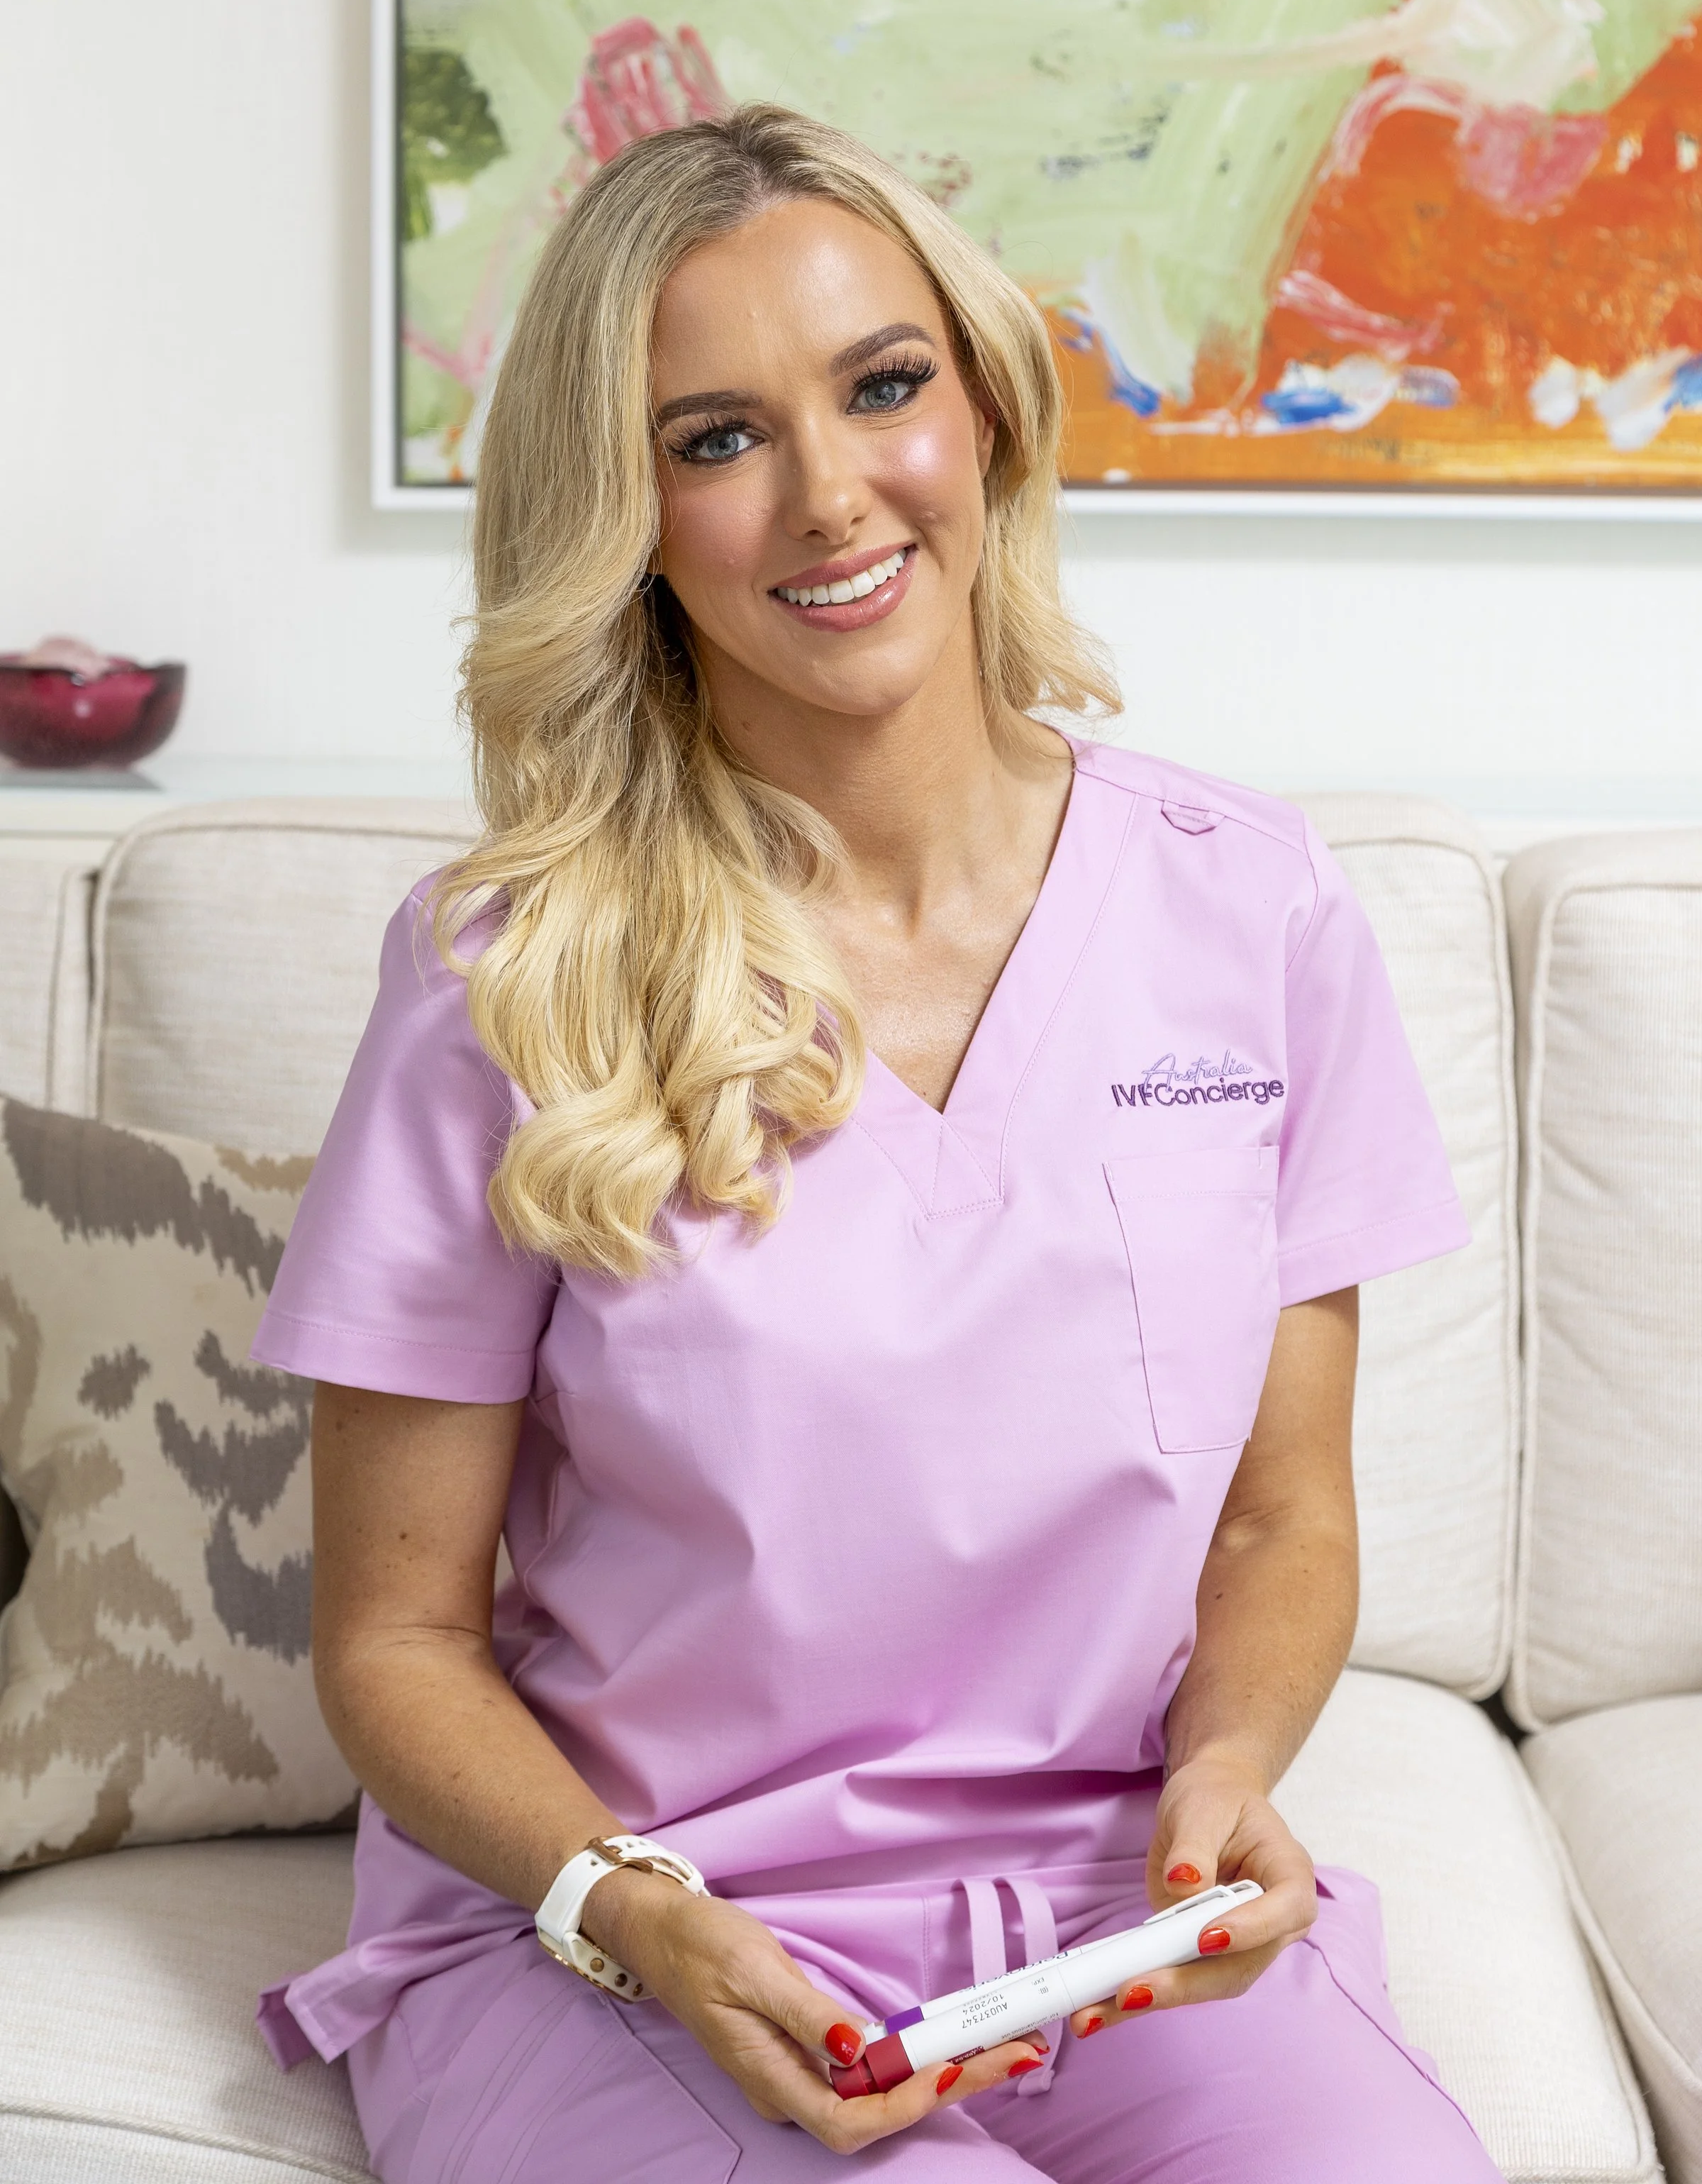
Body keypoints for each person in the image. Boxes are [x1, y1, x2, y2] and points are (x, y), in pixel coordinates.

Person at [252, 106, 1499, 2183]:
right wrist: (632, 1913)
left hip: (1111, 1927)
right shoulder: (508, 974)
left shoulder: (1248, 907)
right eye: (714, 436)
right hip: (626, 1933)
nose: (832, 494)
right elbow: (393, 1637)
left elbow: (1285, 1525)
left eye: (884, 385)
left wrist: (1230, 1768)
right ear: (624, 512)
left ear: (988, 409)